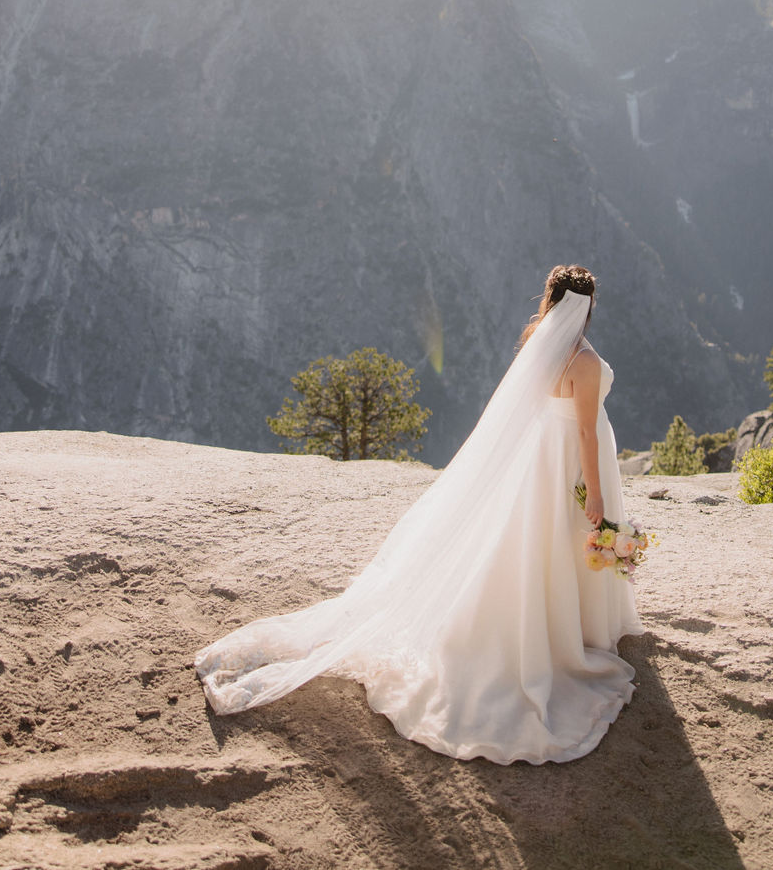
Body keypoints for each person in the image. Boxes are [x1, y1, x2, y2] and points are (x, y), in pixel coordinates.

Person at [195, 264, 645, 764]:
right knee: (561, 542)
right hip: (569, 463)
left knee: (534, 546)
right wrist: (597, 496)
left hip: (540, 461)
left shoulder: (541, 343)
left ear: (551, 299)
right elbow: (585, 432)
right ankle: (567, 633)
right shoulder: (583, 360)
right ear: (587, 307)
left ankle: (546, 624)